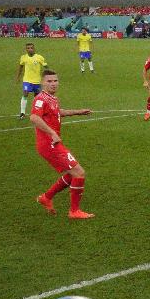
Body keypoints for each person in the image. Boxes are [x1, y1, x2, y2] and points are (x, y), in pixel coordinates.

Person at [31, 70, 95, 219]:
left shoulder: (52, 98)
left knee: (72, 173)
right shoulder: (40, 98)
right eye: (49, 81)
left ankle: (46, 197)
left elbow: (57, 112)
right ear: (42, 83)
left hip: (53, 143)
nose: (53, 84)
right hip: (49, 144)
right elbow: (34, 117)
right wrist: (52, 132)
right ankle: (74, 211)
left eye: (55, 81)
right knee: (79, 172)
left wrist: (78, 112)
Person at [16, 43, 47, 119]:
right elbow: (20, 67)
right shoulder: (23, 58)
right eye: (28, 48)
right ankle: (22, 112)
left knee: (37, 97)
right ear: (26, 49)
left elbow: (46, 66)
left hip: (37, 81)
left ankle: (36, 112)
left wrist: (50, 75)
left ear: (34, 49)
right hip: (27, 80)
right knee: (25, 93)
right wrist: (18, 77)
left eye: (31, 48)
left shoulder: (39, 57)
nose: (30, 49)